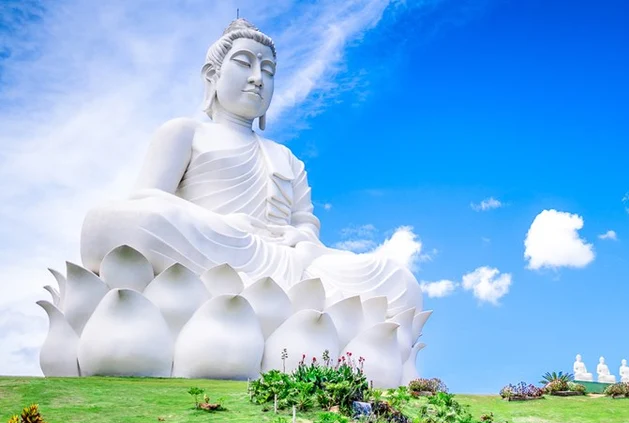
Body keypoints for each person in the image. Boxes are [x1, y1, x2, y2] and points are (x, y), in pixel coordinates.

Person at [80, 18, 421, 317]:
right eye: (245, 64)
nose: (258, 79)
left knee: (397, 280)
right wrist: (223, 225)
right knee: (108, 221)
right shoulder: (185, 132)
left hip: (285, 260)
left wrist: (300, 239)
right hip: (220, 246)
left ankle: (284, 305)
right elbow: (145, 197)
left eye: (268, 71)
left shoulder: (287, 158)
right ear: (213, 75)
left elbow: (306, 225)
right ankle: (287, 309)